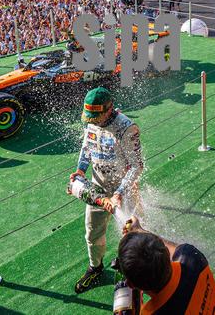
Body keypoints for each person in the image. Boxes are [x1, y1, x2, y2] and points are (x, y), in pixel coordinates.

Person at [71, 87, 144, 294]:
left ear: (109, 108)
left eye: (97, 116)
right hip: (97, 187)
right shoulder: (91, 122)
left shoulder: (127, 128)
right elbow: (87, 148)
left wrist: (119, 192)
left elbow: (137, 166)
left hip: (125, 190)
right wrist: (79, 171)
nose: (92, 121)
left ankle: (128, 267)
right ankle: (95, 267)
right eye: (90, 117)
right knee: (92, 232)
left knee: (130, 232)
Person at [117, 215, 215, 314]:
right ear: (167, 253)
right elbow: (168, 247)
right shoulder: (192, 257)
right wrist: (139, 230)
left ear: (131, 285)